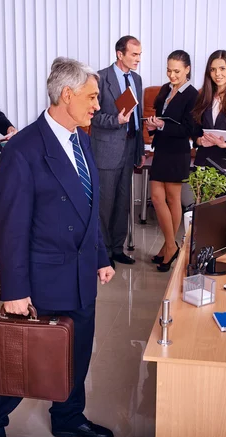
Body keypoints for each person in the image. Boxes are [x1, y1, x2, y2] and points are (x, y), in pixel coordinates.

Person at [0, 57, 115, 437]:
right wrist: (14, 291)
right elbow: (11, 227)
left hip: (82, 272)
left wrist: (101, 257)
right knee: (26, 363)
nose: (96, 105)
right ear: (66, 95)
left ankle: (68, 418)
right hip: (43, 279)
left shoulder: (82, 139)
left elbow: (90, 208)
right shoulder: (23, 149)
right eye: (91, 97)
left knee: (77, 356)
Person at [91, 35, 146, 269]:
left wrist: (141, 148)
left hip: (131, 145)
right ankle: (103, 255)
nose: (138, 59)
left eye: (140, 54)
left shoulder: (137, 79)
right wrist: (116, 119)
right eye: (134, 54)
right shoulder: (100, 79)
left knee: (124, 202)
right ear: (119, 54)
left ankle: (117, 248)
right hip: (107, 149)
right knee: (106, 203)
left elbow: (138, 117)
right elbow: (92, 116)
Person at [145, 50, 198, 271]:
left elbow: (189, 128)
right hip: (162, 148)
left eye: (176, 71)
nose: (172, 75)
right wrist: (152, 126)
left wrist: (163, 126)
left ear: (187, 69)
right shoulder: (166, 89)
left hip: (177, 151)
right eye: (169, 70)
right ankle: (171, 246)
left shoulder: (193, 95)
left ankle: (168, 248)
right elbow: (161, 117)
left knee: (172, 198)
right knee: (157, 197)